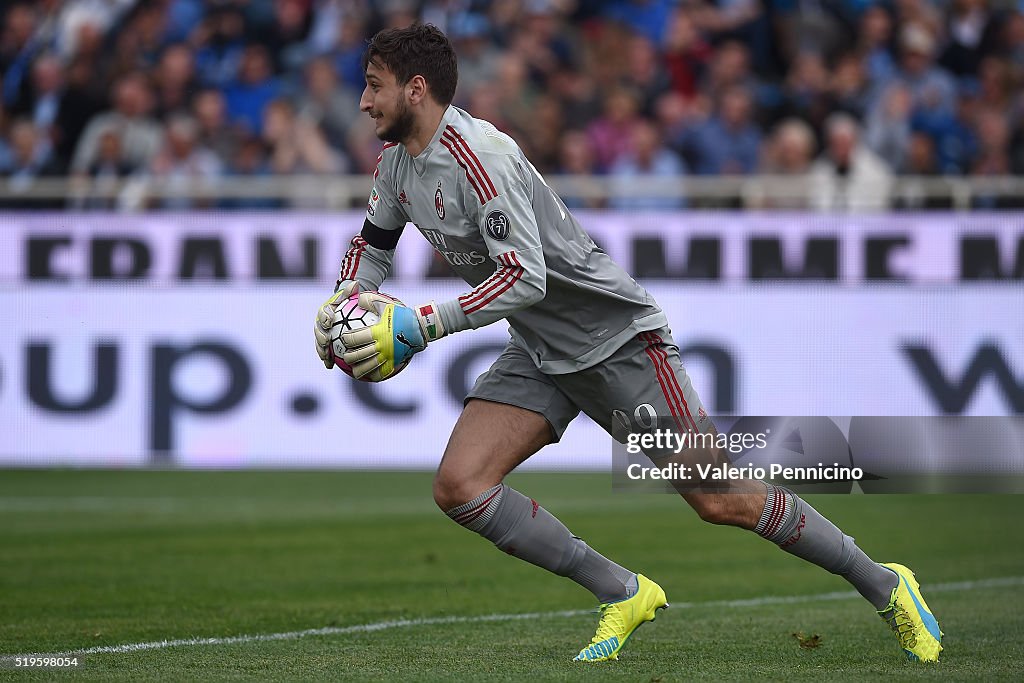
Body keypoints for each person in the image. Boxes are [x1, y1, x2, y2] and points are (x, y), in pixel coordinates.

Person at [313, 24, 942, 664]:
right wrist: (344, 302)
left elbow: (523, 277)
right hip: (542, 349)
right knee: (460, 485)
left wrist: (423, 323)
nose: (363, 101)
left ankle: (888, 585)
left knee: (720, 498)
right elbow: (374, 245)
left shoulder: (482, 161)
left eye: (374, 86)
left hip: (617, 341)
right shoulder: (396, 163)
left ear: (415, 89)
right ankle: (623, 591)